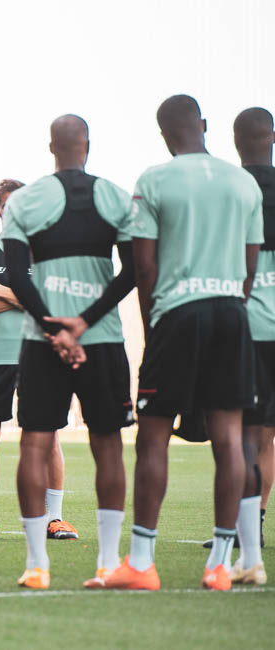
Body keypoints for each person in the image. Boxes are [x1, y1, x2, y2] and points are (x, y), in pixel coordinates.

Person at [106, 96, 264, 591]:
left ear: (163, 134)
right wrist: (231, 305)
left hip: (177, 313)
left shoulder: (154, 180)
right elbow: (251, 263)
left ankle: (141, 563)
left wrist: (154, 326)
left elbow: (144, 266)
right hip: (232, 311)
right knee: (230, 437)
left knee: (153, 435)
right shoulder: (243, 182)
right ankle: (219, 565)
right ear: (205, 126)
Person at [0, 115, 136, 590]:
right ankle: (107, 562)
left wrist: (52, 329)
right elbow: (133, 271)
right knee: (108, 444)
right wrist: (82, 323)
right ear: (88, 146)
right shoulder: (117, 197)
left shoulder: (24, 200)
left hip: (41, 341)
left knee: (34, 443)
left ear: (50, 148)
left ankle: (36, 565)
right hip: (101, 338)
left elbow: (17, 277)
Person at [0, 180, 78, 542]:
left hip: (39, 354)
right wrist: (28, 298)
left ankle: (55, 519)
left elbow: (52, 305)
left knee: (47, 436)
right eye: (8, 206)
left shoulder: (47, 252)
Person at [234, 106, 275, 585]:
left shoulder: (232, 189)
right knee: (262, 436)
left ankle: (246, 532)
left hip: (244, 328)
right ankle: (251, 527)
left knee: (245, 434)